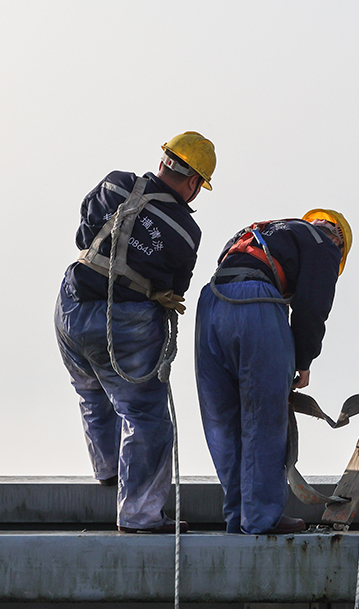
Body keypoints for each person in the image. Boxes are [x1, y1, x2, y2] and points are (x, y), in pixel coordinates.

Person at [55, 131, 216, 533]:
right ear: (194, 183)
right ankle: (139, 515)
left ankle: (108, 472)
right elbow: (176, 289)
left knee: (92, 390)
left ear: (164, 160)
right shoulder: (185, 233)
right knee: (146, 417)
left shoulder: (115, 182)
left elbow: (83, 234)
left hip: (71, 309)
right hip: (124, 326)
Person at [195, 209, 351, 535]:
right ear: (338, 242)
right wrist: (303, 361)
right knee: (265, 416)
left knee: (222, 419)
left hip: (211, 302)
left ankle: (238, 514)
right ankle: (261, 517)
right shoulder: (325, 243)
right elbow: (312, 305)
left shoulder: (260, 231)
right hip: (255, 305)